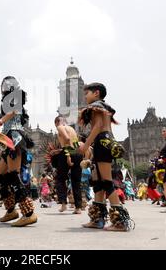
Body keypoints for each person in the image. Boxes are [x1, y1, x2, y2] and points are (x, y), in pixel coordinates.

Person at [78, 82, 134, 231]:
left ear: (96, 93)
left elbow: (97, 126)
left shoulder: (97, 106)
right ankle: (97, 219)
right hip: (103, 142)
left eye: (87, 93)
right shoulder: (103, 106)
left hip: (102, 141)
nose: (85, 96)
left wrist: (85, 145)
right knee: (98, 182)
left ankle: (120, 221)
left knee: (106, 182)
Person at [0, 76, 37, 227]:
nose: (2, 87)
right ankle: (11, 211)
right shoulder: (8, 99)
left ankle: (29, 214)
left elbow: (15, 111)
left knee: (13, 175)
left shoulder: (15, 97)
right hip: (8, 138)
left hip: (15, 137)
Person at [52, 116, 83, 214]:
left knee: (60, 179)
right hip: (77, 153)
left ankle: (64, 204)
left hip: (68, 153)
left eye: (55, 123)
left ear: (57, 122)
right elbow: (75, 144)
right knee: (76, 181)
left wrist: (68, 156)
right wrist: (59, 151)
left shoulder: (60, 127)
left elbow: (67, 138)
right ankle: (78, 207)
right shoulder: (72, 129)